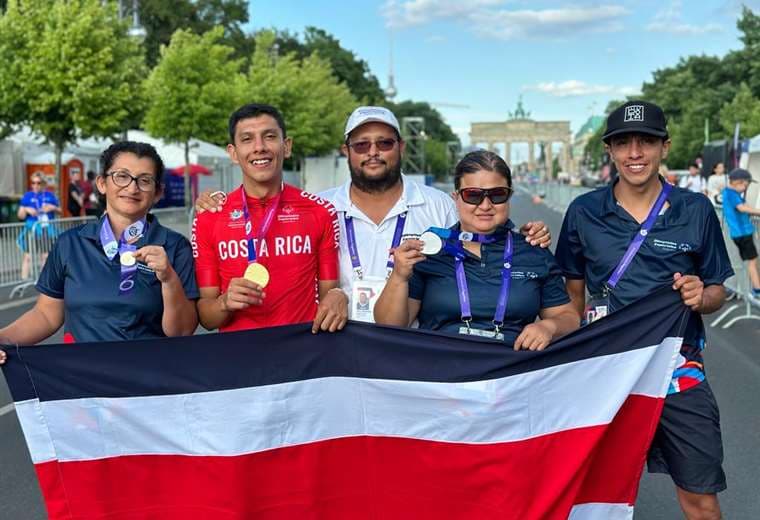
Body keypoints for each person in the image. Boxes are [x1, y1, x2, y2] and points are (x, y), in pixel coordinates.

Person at [195, 106, 551, 322]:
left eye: (384, 143)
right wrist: (216, 203)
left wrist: (524, 235)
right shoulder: (320, 207)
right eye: (361, 144)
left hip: (413, 346)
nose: (373, 152)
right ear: (346, 151)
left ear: (401, 147)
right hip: (337, 346)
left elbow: (483, 232)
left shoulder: (439, 205)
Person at [556, 101, 733, 520]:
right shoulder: (583, 212)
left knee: (701, 499)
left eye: (646, 142)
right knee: (587, 495)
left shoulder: (696, 209)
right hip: (604, 371)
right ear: (610, 150)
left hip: (677, 371)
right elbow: (571, 302)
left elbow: (717, 290)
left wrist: (701, 296)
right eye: (623, 143)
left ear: (664, 147)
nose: (635, 153)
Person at [0, 141, 198, 357]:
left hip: (147, 373)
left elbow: (182, 331)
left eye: (144, 180)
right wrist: (2, 339)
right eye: (121, 176)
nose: (132, 188)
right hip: (82, 373)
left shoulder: (175, 247)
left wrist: (169, 279)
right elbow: (46, 315)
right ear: (102, 183)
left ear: (158, 192)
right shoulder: (70, 244)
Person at [374, 150, 578, 349]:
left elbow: (569, 318)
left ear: (509, 196)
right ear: (455, 197)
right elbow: (389, 327)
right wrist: (398, 277)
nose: (485, 205)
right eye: (473, 195)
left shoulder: (533, 250)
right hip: (442, 367)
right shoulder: (429, 251)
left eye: (497, 194)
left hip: (512, 367)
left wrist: (549, 327)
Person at [191, 103, 346, 334]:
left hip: (303, 349)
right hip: (238, 352)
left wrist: (339, 295)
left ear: (287, 146)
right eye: (247, 139)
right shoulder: (209, 218)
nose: (259, 147)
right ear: (233, 153)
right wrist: (224, 303)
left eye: (270, 136)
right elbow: (207, 318)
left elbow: (329, 298)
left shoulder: (320, 212)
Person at [721, 168, 760, 298]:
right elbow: (742, 208)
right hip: (743, 233)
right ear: (738, 182)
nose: (746, 188)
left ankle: (753, 289)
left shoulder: (727, 193)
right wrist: (758, 211)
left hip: (738, 234)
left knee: (749, 262)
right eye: (746, 185)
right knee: (752, 262)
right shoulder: (732, 194)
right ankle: (757, 290)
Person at [16, 172, 61, 279]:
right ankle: (23, 281)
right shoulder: (27, 196)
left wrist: (53, 208)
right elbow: (20, 216)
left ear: (44, 183)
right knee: (27, 256)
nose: (35, 185)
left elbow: (60, 211)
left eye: (38, 183)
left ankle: (43, 281)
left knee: (45, 256)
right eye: (33, 183)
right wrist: (25, 209)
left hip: (46, 229)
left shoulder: (50, 195)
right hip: (32, 229)